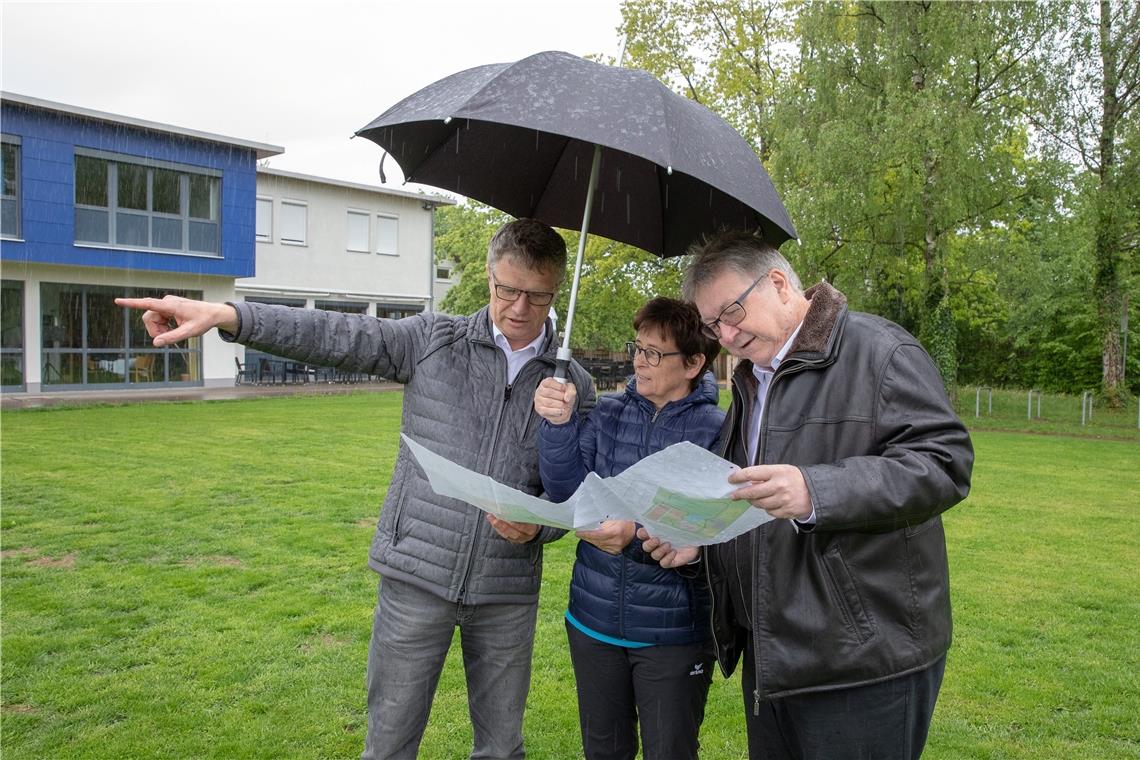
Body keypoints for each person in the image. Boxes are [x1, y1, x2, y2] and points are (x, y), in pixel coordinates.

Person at [116, 218, 597, 760]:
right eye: (506, 290)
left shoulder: (572, 384)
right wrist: (231, 315)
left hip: (506, 591)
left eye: (536, 297)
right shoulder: (431, 340)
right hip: (416, 576)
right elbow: (335, 335)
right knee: (389, 744)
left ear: (555, 292)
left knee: (502, 749)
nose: (518, 308)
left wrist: (539, 524)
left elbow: (577, 499)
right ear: (488, 277)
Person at [639, 230, 974, 760]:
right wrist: (703, 541)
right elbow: (753, 500)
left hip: (862, 659)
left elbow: (944, 464)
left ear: (777, 283)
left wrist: (815, 489)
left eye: (730, 313)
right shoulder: (752, 379)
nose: (723, 335)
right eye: (711, 325)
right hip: (773, 653)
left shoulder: (881, 352)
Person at [532, 297, 724, 760]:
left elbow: (718, 535)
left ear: (694, 363)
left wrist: (634, 535)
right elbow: (566, 491)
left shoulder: (718, 431)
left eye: (655, 353)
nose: (640, 360)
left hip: (672, 633)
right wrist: (558, 426)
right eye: (637, 347)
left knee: (670, 752)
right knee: (603, 751)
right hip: (592, 621)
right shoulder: (609, 412)